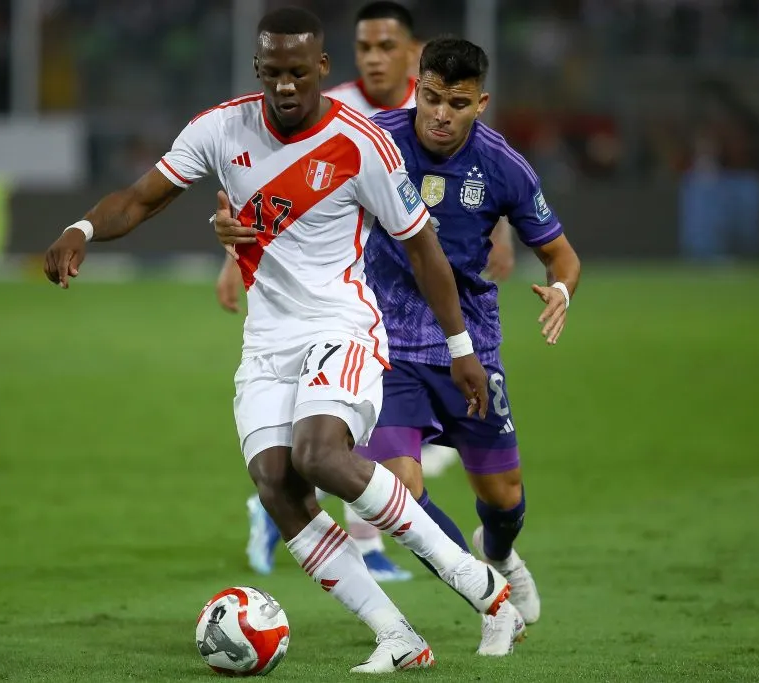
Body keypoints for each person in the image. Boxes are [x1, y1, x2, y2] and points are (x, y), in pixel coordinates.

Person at [43, 8, 521, 670]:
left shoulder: (361, 144)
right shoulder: (221, 128)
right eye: (274, 73)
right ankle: (397, 634)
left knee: (319, 454)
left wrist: (461, 348)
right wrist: (82, 231)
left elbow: (424, 250)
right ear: (258, 71)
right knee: (276, 482)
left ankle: (481, 585)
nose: (287, 86)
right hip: (267, 341)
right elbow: (142, 198)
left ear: (321, 69)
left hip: (342, 326)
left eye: (300, 72)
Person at [215, 36, 582, 635]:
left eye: (457, 103)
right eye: (432, 98)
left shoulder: (503, 166)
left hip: (470, 347)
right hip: (384, 345)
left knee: (506, 500)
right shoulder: (372, 141)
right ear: (419, 88)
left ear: (480, 103)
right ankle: (481, 589)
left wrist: (561, 290)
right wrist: (237, 232)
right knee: (398, 495)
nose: (440, 114)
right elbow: (286, 186)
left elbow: (562, 256)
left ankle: (499, 554)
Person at [229, 2, 514, 584]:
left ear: (414, 53)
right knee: (354, 443)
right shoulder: (330, 108)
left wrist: (500, 229)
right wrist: (231, 257)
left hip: (414, 312)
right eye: (365, 48)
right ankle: (292, 513)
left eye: (386, 47)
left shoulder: (436, 106)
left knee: (355, 442)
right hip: (349, 308)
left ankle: (317, 521)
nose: (374, 59)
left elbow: (474, 177)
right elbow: (268, 189)